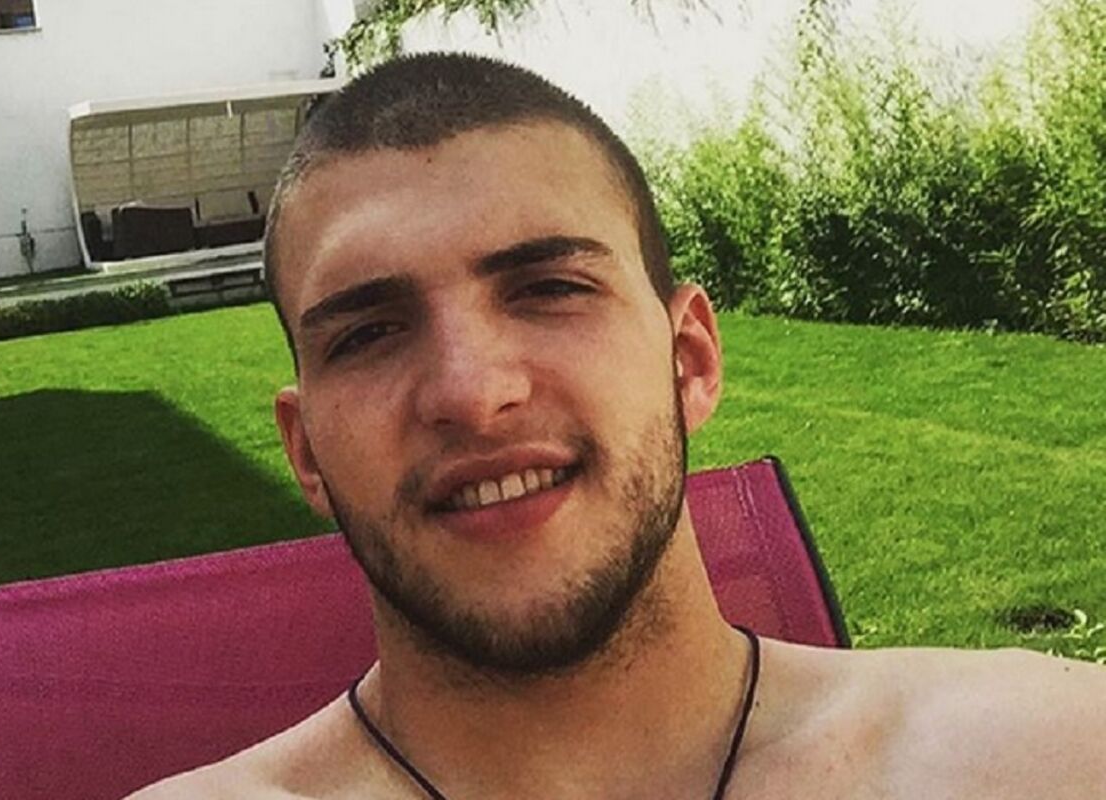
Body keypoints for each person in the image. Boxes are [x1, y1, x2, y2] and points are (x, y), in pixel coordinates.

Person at [131, 53, 1106, 800]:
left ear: (690, 361)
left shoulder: (1045, 754)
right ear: (306, 451)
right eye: (369, 333)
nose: (472, 392)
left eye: (550, 288)